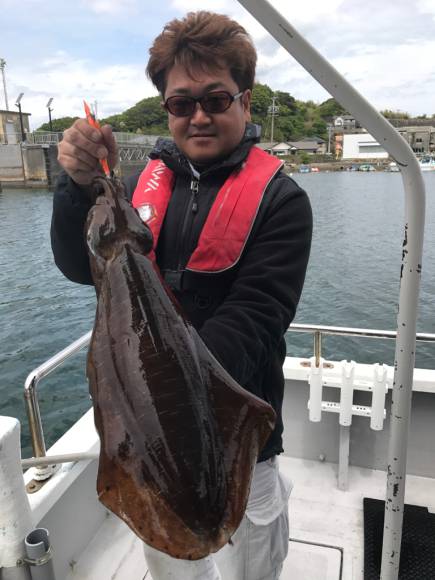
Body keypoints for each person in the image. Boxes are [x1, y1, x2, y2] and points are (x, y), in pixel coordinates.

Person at [51, 10, 312, 580]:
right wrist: (75, 188)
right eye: (181, 102)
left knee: (253, 567)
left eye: (215, 99)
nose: (198, 115)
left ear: (245, 100)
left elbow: (258, 316)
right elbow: (79, 266)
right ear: (167, 108)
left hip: (244, 443)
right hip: (149, 445)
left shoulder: (282, 202)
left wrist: (173, 392)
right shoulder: (136, 187)